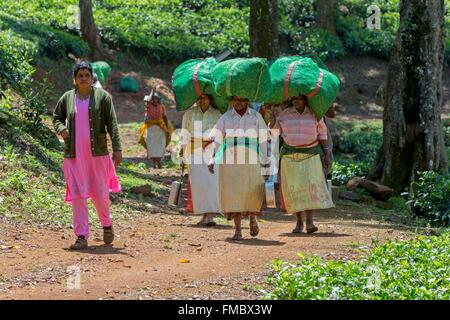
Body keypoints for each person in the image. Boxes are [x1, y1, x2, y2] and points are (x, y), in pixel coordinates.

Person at [53, 61, 122, 250]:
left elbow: (112, 124)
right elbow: (57, 117)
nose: (83, 78)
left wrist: (117, 148)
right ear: (74, 79)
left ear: (92, 78)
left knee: (100, 194)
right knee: (77, 195)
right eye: (80, 75)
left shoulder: (103, 98)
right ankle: (81, 236)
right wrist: (62, 129)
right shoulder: (67, 98)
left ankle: (106, 224)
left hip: (97, 155)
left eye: (87, 75)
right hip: (74, 156)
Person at [270, 95, 333, 234]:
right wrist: (273, 121)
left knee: (311, 189)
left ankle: (310, 222)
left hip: (312, 154)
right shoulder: (284, 115)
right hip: (290, 155)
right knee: (295, 190)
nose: (295, 101)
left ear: (305, 99)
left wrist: (327, 153)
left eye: (299, 98)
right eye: (293, 99)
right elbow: (275, 134)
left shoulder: (315, 114)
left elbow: (322, 134)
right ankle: (299, 223)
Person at [209, 96, 269, 240]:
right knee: (232, 193)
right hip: (229, 159)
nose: (239, 103)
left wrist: (265, 161)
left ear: (247, 101)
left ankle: (253, 218)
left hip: (252, 158)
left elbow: (263, 139)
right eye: (236, 100)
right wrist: (212, 159)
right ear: (231, 101)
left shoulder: (256, 116)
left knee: (251, 190)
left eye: (242, 100)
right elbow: (217, 138)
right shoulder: (225, 117)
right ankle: (237, 230)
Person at [181, 94, 222, 226]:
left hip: (211, 150)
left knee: (211, 182)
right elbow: (184, 133)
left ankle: (210, 215)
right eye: (199, 98)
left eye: (205, 98)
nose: (202, 100)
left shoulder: (218, 114)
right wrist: (183, 151)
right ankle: (204, 214)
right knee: (198, 184)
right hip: (194, 151)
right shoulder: (189, 114)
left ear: (210, 99)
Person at [141, 90, 171, 168]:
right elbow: (146, 99)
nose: (154, 100)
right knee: (151, 145)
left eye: (156, 99)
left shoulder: (161, 107)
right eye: (152, 99)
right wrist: (151, 93)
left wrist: (167, 128)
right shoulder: (148, 105)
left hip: (160, 127)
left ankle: (159, 160)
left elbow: (164, 117)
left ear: (158, 99)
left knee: (160, 145)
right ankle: (154, 162)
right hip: (150, 128)